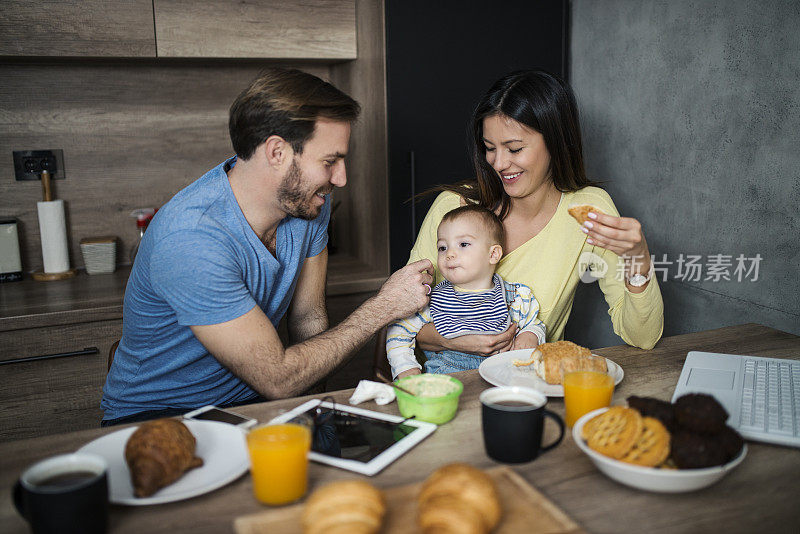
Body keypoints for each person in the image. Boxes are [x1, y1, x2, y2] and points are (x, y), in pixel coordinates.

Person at [101, 68, 433, 425]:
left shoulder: (307, 205)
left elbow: (307, 319)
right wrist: (382, 308)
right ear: (276, 152)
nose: (341, 178)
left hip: (253, 401)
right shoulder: (191, 238)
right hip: (162, 414)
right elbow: (278, 378)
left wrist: (315, 412)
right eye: (329, 161)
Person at [409, 70, 664, 359]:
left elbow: (642, 337)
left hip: (529, 389)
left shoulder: (587, 211)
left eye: (514, 148)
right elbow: (402, 319)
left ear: (555, 142)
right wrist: (454, 341)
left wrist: (638, 260)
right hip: (448, 388)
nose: (499, 163)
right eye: (489, 148)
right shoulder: (453, 207)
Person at [386, 205, 546, 378]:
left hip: (502, 378)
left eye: (463, 244)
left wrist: (531, 335)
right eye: (442, 247)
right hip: (448, 380)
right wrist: (405, 368)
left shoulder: (515, 296)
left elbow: (535, 324)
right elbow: (399, 330)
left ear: (493, 254)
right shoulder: (431, 299)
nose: (450, 254)